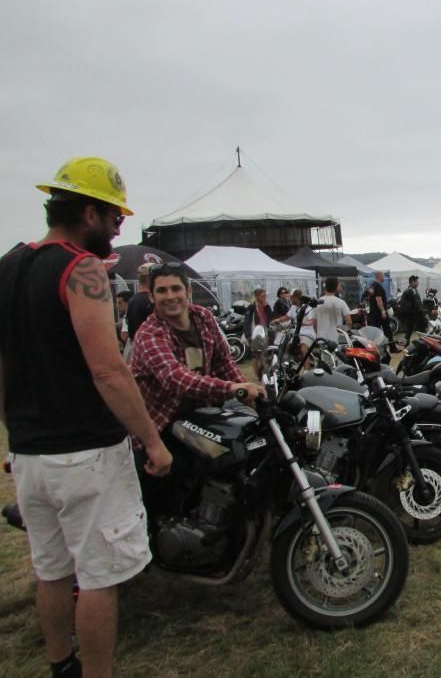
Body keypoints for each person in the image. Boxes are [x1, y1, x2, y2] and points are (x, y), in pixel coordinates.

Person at [0, 156, 172, 678]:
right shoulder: (82, 270)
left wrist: (14, 436)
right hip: (85, 453)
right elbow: (109, 371)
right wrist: (153, 442)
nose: (120, 227)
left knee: (51, 570)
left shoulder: (8, 265)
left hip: (30, 455)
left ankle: (61, 664)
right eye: (116, 217)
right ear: (90, 213)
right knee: (98, 577)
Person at [131, 262, 262, 438]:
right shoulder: (149, 333)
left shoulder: (203, 316)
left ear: (188, 291)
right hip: (162, 426)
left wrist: (245, 391)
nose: (170, 296)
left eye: (176, 288)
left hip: (203, 419)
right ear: (152, 297)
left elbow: (222, 360)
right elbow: (175, 378)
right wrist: (232, 388)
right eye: (162, 291)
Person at [122, 262, 156, 361]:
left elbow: (126, 332)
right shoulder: (151, 300)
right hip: (150, 351)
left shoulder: (132, 301)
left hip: (135, 349)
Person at [312, 276, 352, 342]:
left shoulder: (317, 303)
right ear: (336, 287)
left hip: (321, 339)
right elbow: (349, 322)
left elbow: (314, 323)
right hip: (336, 340)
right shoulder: (341, 303)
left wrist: (318, 334)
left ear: (325, 287)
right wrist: (343, 333)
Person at [367, 271, 399, 351]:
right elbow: (379, 299)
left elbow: (368, 298)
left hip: (373, 313)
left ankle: (381, 349)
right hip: (379, 314)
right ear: (380, 276)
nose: (384, 277)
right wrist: (383, 311)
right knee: (387, 331)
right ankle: (392, 348)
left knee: (376, 333)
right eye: (383, 276)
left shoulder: (372, 286)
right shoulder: (378, 286)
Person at [397, 275, 427, 346]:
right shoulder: (412, 291)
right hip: (415, 315)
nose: (418, 283)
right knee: (422, 331)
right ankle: (426, 345)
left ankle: (406, 346)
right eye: (416, 281)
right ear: (412, 282)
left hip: (409, 316)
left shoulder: (409, 290)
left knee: (409, 331)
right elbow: (417, 304)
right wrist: (423, 312)